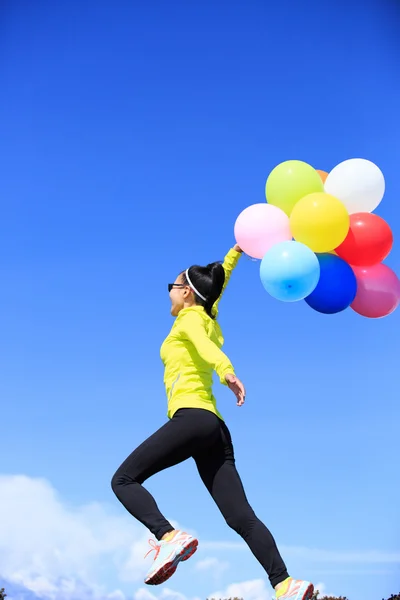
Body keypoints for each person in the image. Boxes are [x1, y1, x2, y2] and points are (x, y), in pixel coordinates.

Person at [111, 244, 314, 600]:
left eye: (171, 287)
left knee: (123, 480)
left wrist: (227, 372)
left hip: (192, 418)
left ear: (187, 292)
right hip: (215, 430)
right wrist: (238, 250)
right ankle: (285, 584)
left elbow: (206, 349)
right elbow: (220, 284)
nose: (169, 293)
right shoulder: (208, 314)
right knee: (240, 516)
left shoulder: (189, 320)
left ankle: (169, 537)